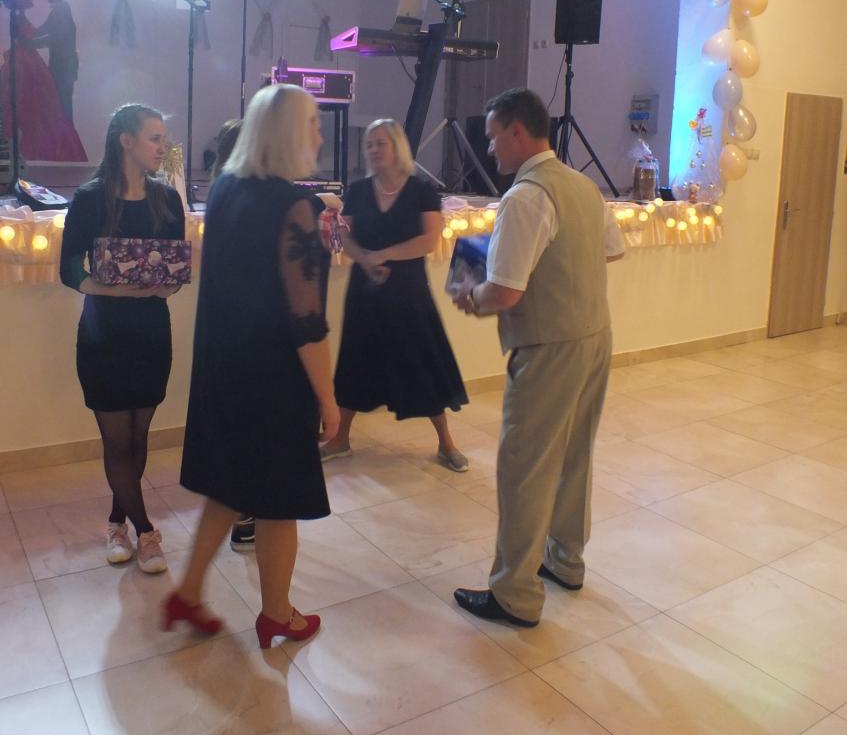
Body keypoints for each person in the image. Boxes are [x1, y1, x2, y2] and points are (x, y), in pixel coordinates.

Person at [167, 84, 336, 649]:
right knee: (279, 500)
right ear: (288, 132)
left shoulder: (225, 189)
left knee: (230, 485)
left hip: (225, 367)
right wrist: (329, 398)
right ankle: (278, 614)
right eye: (312, 124)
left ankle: (188, 592)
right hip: (272, 377)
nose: (319, 135)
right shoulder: (293, 206)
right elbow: (305, 319)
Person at [450, 87, 622, 628]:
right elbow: (612, 250)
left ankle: (515, 595)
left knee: (524, 466)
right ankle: (565, 561)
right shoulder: (583, 186)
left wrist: (471, 298)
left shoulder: (525, 197)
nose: (490, 148)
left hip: (548, 346)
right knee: (574, 455)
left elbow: (505, 292)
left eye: (493, 137)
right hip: (594, 334)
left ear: (517, 132)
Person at [59, 103, 186, 575]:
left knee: (137, 436)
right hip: (104, 333)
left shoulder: (167, 199)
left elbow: (175, 269)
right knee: (116, 440)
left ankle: (117, 522)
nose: (162, 147)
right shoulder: (89, 198)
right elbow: (69, 269)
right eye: (154, 137)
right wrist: (113, 289)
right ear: (125, 141)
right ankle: (146, 531)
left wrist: (168, 286)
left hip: (151, 332)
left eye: (163, 138)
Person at [320, 118, 469, 471]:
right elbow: (346, 238)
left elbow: (428, 240)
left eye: (380, 143)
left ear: (397, 147)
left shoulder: (421, 190)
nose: (373, 149)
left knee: (422, 361)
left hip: (408, 292)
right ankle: (341, 439)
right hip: (365, 290)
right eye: (369, 144)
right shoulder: (358, 190)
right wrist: (366, 260)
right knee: (356, 361)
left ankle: (446, 443)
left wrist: (383, 255)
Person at [0, 0, 86, 163]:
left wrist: (30, 43)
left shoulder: (58, 11)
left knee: (38, 109)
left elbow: (43, 36)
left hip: (27, 62)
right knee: (37, 109)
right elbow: (38, 37)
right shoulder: (21, 18)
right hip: (24, 63)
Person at [32, 0, 79, 126]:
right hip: (63, 67)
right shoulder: (60, 10)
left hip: (63, 68)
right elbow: (45, 29)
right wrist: (29, 36)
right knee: (60, 109)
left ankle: (66, 138)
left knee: (61, 110)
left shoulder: (62, 10)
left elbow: (54, 37)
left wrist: (30, 43)